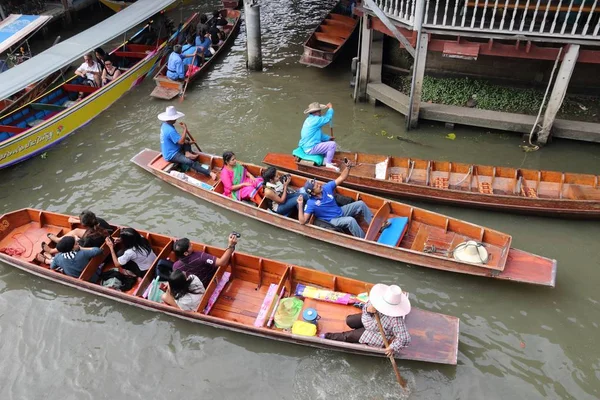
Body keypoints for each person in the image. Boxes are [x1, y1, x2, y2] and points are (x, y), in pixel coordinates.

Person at [322, 284, 412, 357]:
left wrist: (392, 347)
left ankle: (326, 336)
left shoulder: (396, 319)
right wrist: (368, 309)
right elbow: (366, 307)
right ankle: (359, 329)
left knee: (347, 336)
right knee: (349, 320)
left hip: (378, 332)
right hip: (369, 319)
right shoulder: (378, 298)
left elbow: (405, 338)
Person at [297, 163, 375, 239]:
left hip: (340, 211)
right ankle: (365, 239)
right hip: (333, 220)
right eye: (317, 186)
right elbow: (302, 221)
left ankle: (374, 224)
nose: (320, 185)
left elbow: (341, 178)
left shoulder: (326, 187)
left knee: (360, 204)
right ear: (313, 193)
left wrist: (348, 167)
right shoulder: (311, 203)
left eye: (318, 184)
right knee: (351, 220)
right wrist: (300, 204)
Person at [158, 106, 217, 180]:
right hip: (171, 154)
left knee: (186, 139)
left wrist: (189, 143)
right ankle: (210, 173)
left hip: (172, 148)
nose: (176, 119)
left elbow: (179, 140)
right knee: (189, 162)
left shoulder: (164, 125)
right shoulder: (170, 130)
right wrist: (185, 129)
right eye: (175, 118)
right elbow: (181, 142)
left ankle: (187, 153)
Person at [172, 233, 238, 288]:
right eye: (189, 246)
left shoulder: (175, 266)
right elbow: (222, 262)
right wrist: (231, 245)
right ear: (186, 253)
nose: (192, 245)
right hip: (210, 282)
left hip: (198, 286)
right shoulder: (200, 256)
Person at [43, 210, 111, 256]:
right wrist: (75, 221)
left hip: (94, 247)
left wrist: (77, 239)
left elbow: (82, 249)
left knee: (70, 242)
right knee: (76, 231)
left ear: (84, 225)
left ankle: (52, 251)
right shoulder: (99, 221)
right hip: (103, 240)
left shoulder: (88, 238)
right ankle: (58, 240)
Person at [39, 236, 103, 278]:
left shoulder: (58, 257)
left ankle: (48, 260)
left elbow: (52, 267)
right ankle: (48, 259)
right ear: (71, 248)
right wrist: (82, 248)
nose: (78, 243)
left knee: (58, 263)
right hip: (94, 277)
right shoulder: (83, 253)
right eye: (76, 244)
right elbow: (98, 250)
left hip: (79, 279)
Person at [299, 102, 338, 171]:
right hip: (310, 148)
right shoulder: (316, 120)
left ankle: (325, 160)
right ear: (316, 112)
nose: (321, 113)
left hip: (306, 145)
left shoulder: (309, 119)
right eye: (320, 111)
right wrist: (330, 109)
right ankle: (328, 163)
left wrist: (328, 138)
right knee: (332, 144)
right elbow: (327, 118)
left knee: (328, 142)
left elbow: (319, 135)